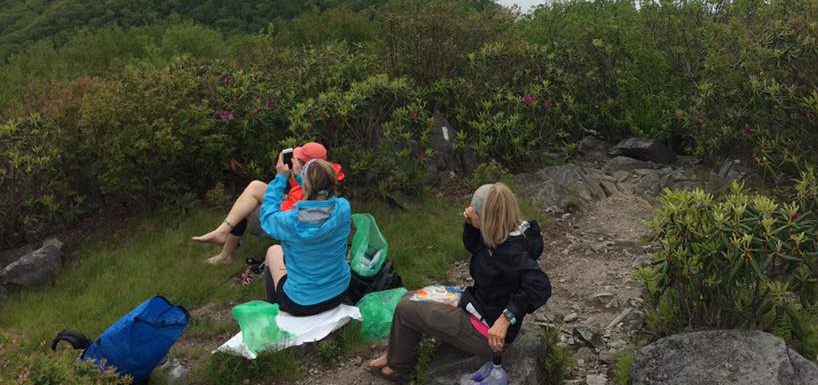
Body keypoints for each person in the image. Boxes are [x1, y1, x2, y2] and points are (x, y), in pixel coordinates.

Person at [368, 182, 551, 382]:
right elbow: (475, 248)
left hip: (484, 331)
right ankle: (397, 352)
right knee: (409, 297)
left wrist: (505, 319)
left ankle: (399, 368)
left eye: (475, 209)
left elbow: (540, 286)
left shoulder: (510, 252)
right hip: (478, 305)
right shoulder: (504, 233)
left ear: (488, 219)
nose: (469, 209)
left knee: (405, 309)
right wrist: (471, 225)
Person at [191, 141, 343, 264]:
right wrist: (293, 174)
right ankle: (223, 235)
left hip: (291, 223)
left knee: (245, 208)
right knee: (254, 189)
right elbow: (309, 190)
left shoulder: (302, 206)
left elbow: (278, 217)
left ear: (305, 166)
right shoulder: (329, 185)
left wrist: (281, 177)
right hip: (304, 214)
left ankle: (225, 252)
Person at [259, 153, 353, 315]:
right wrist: (303, 178)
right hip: (339, 291)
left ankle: (277, 310)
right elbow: (319, 194)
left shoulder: (290, 221)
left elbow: (267, 218)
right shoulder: (343, 208)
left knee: (273, 251)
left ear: (307, 185)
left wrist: (281, 178)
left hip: (301, 302)